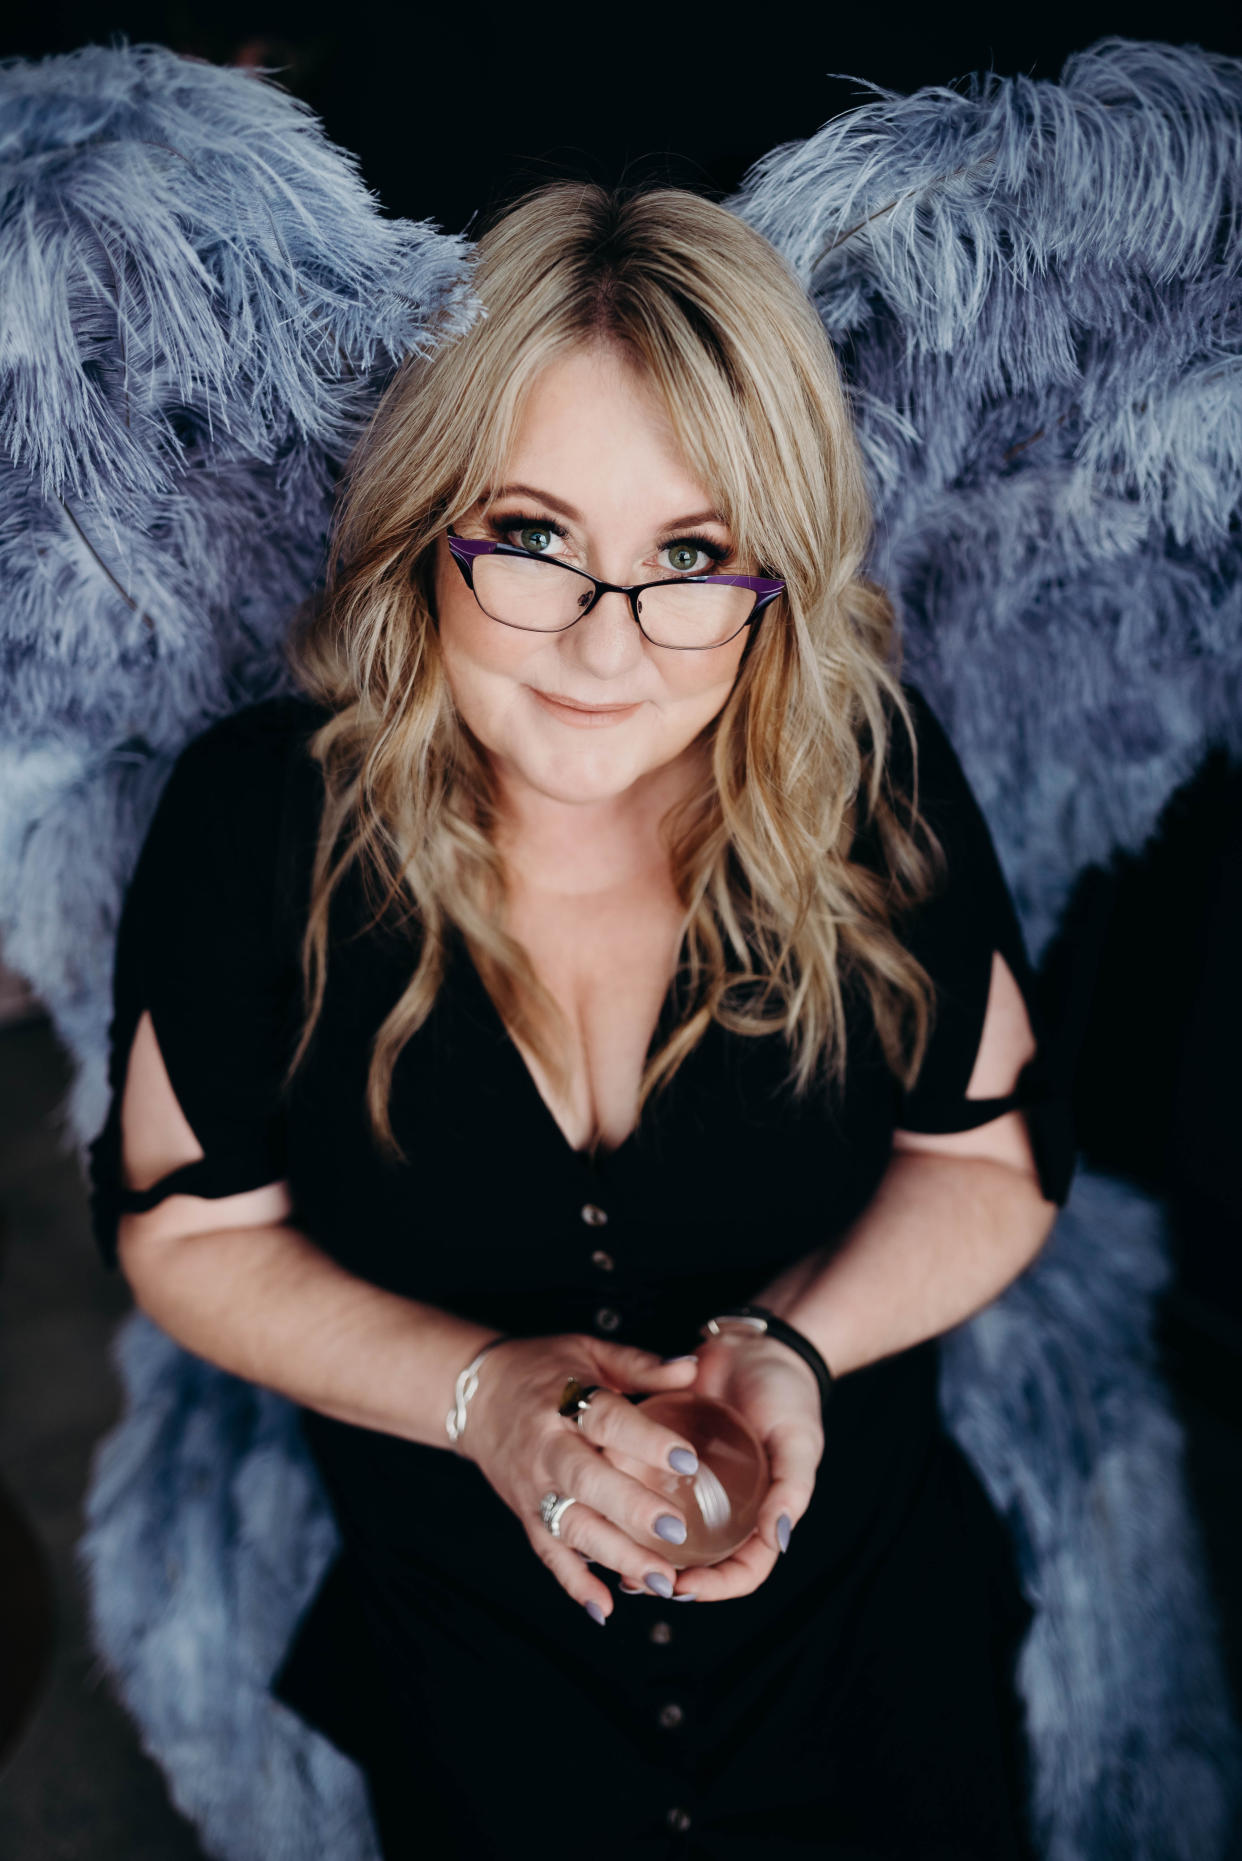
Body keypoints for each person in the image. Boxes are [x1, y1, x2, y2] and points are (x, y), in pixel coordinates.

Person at [88, 179, 1075, 1860]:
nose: (606, 646)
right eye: (535, 538)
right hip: (472, 1657)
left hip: (866, 1648)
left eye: (690, 557)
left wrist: (792, 1341)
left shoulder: (872, 781)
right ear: (427, 524)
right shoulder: (251, 826)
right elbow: (194, 1234)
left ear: (775, 572)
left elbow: (987, 1167)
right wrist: (486, 1399)